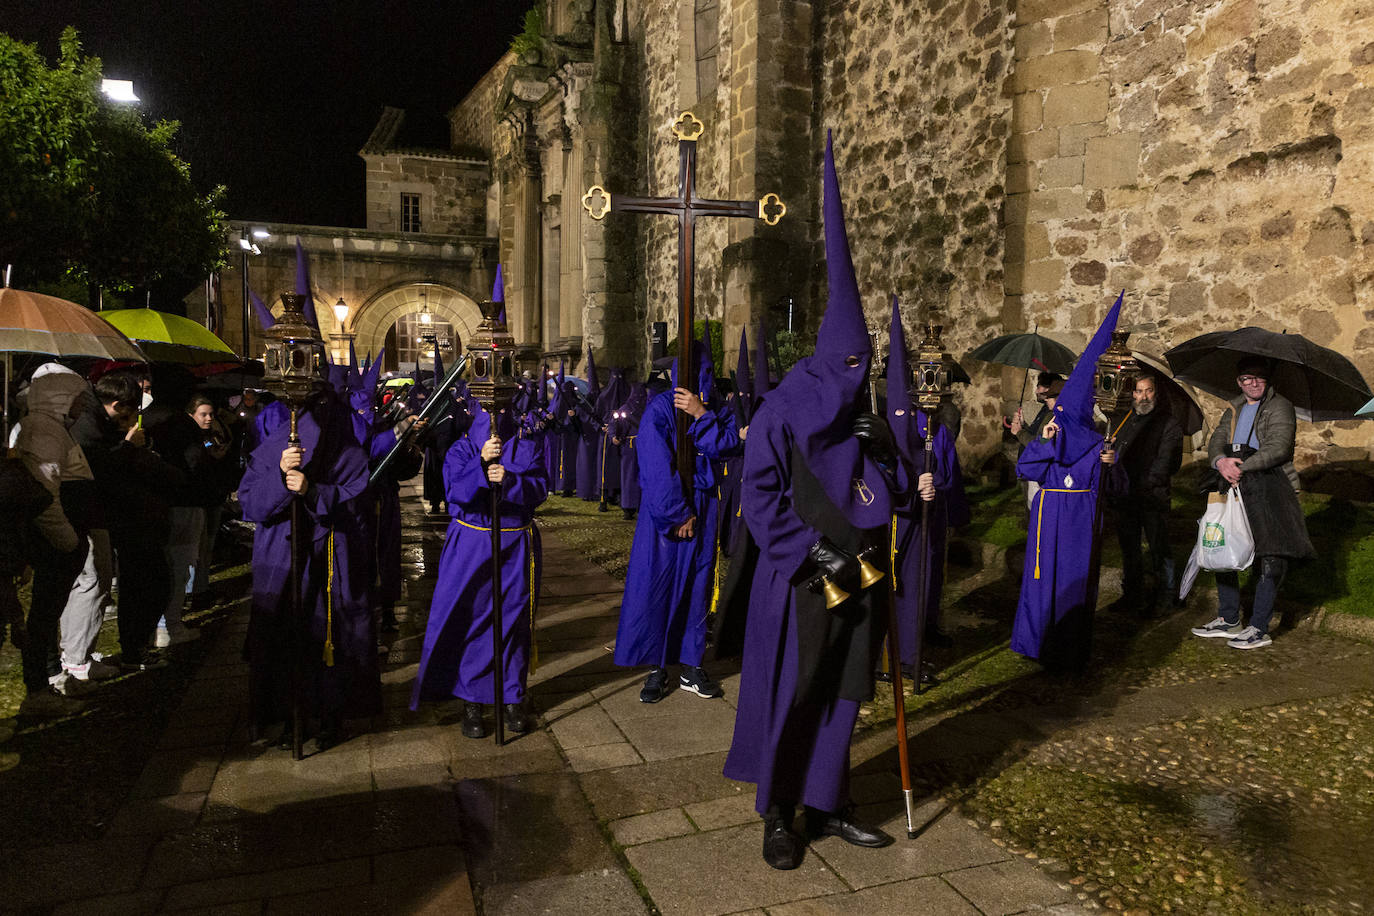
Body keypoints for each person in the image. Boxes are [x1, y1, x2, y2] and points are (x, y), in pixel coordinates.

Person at [723, 135, 919, 869]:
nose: (856, 377)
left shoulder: (853, 413)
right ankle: (778, 812)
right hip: (802, 572)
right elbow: (759, 493)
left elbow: (881, 495)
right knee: (795, 688)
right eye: (849, 366)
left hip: (860, 565)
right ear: (823, 358)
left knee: (844, 688)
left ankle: (828, 800)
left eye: (863, 367)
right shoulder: (782, 411)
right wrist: (808, 552)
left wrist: (884, 446)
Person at [239, 386, 381, 749]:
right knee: (285, 640)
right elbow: (253, 504)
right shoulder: (274, 448)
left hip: (330, 563)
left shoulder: (346, 451)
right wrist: (280, 476)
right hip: (283, 559)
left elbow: (358, 502)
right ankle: (289, 716)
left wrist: (314, 492)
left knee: (331, 642)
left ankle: (330, 715)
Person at [411, 403, 547, 737]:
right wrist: (481, 465)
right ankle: (472, 699)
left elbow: (541, 488)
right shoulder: (462, 449)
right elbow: (455, 491)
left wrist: (512, 482)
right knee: (472, 619)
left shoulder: (526, 445)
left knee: (513, 622)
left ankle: (513, 695)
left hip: (515, 543)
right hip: (473, 543)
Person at [613, 345, 740, 704]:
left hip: (705, 505)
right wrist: (676, 513)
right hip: (668, 512)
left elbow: (726, 446)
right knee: (659, 585)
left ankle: (690, 663)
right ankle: (657, 666)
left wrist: (701, 415)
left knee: (698, 585)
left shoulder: (713, 408)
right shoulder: (659, 409)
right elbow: (655, 466)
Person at [1010, 296, 1123, 672]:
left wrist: (1112, 463)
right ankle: (1037, 640)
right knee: (1043, 581)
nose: (1058, 417)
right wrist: (1043, 439)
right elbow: (1025, 468)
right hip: (1050, 517)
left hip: (1079, 519)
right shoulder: (1051, 437)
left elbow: (1114, 489)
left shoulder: (1097, 445)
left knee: (1072, 582)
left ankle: (1069, 645)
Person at [1190, 357, 1314, 648]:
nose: (1253, 383)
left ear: (1267, 380)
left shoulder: (1279, 406)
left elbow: (1278, 447)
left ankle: (1259, 626)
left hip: (1271, 486)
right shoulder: (1233, 407)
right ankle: (1229, 618)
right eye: (1247, 378)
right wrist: (1221, 462)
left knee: (1271, 554)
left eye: (1259, 377)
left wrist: (1240, 468)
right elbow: (1216, 441)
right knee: (1223, 545)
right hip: (1233, 485)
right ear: (1239, 382)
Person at [78, 370, 176, 671]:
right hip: (123, 519)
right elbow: (101, 468)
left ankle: (135, 647)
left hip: (132, 516)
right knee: (138, 585)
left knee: (148, 583)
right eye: (131, 411)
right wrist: (129, 446)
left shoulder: (101, 425)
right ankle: (126, 650)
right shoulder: (90, 427)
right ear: (119, 405)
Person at [11, 364, 94, 717]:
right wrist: (69, 541)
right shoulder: (44, 431)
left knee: (48, 613)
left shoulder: (53, 428)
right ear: (62, 398)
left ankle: (47, 680)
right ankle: (38, 688)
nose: (82, 405)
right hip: (55, 542)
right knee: (43, 616)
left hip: (63, 539)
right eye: (78, 397)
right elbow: (47, 495)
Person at [1100, 372, 1183, 618]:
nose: (1143, 396)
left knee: (1159, 548)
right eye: (1138, 391)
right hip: (1126, 498)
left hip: (1152, 496)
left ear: (1156, 393)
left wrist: (1136, 479)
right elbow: (1115, 455)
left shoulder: (1169, 424)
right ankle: (1132, 595)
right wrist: (1109, 455)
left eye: (1148, 391)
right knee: (1130, 548)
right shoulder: (1124, 421)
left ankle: (1166, 597)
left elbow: (1166, 463)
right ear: (1132, 394)